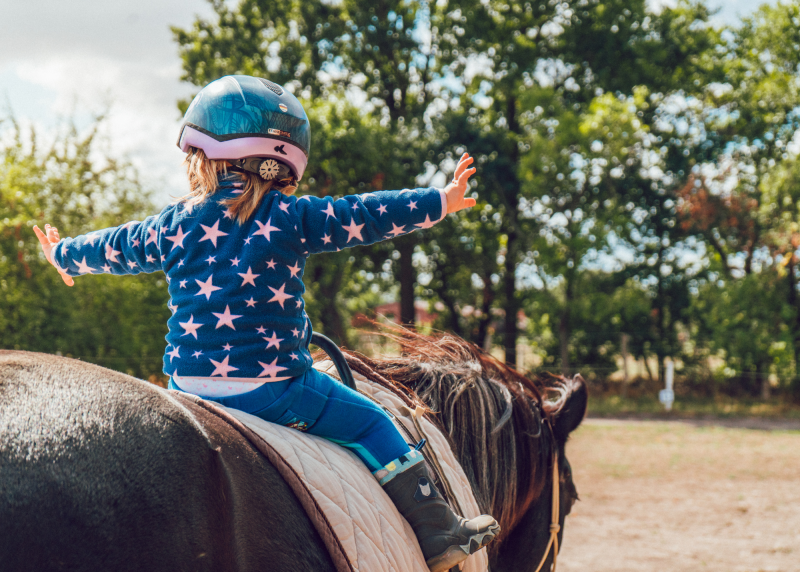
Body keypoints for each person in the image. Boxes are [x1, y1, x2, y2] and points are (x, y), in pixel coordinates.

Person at [33, 75, 498, 571]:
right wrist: (440, 201)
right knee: (371, 422)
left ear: (201, 155)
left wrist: (64, 255)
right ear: (284, 164)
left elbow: (118, 246)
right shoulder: (290, 216)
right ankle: (439, 532)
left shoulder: (172, 221)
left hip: (186, 389)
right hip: (273, 390)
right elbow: (365, 213)